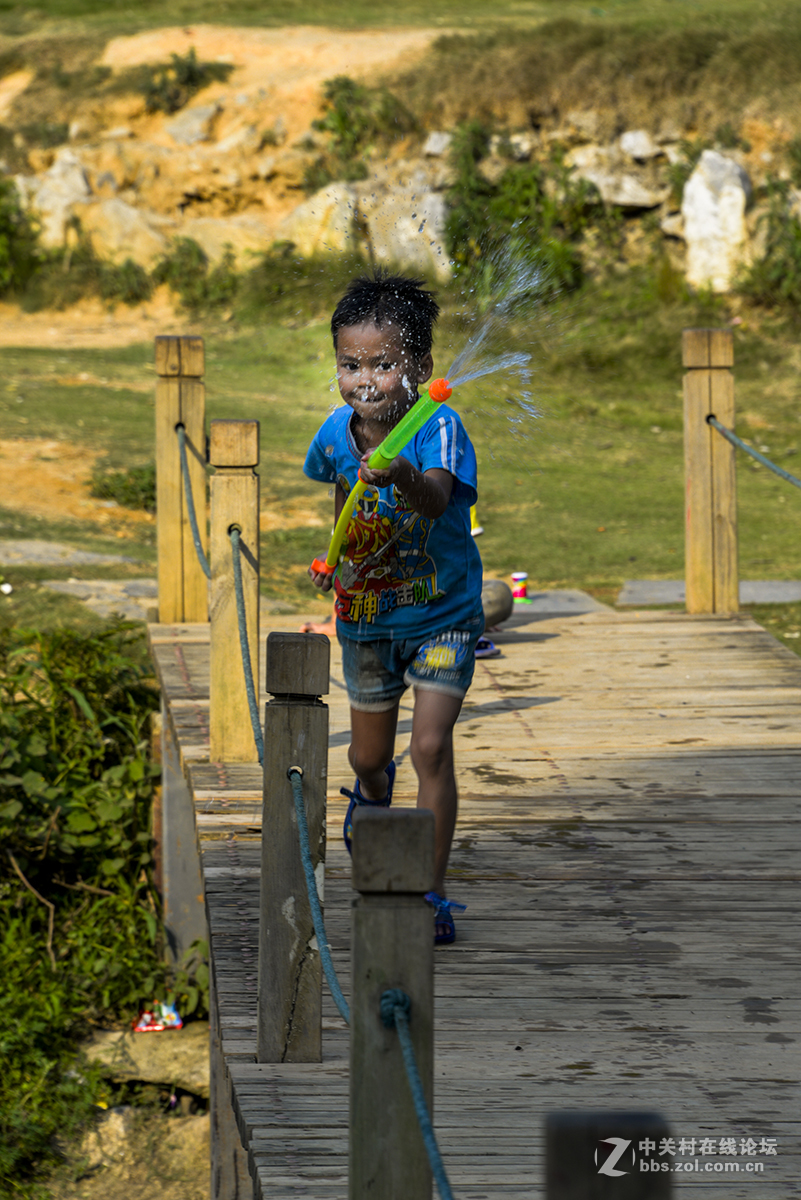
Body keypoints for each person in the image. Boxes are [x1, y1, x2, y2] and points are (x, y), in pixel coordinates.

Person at [304, 271, 484, 944]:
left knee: (430, 748)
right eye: (350, 364)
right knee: (367, 761)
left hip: (443, 616)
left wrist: (399, 470)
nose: (365, 380)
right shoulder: (332, 434)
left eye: (384, 364)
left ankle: (428, 891)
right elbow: (341, 503)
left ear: (420, 369)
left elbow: (435, 499)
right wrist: (334, 558)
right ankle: (373, 810)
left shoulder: (436, 427)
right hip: (368, 622)